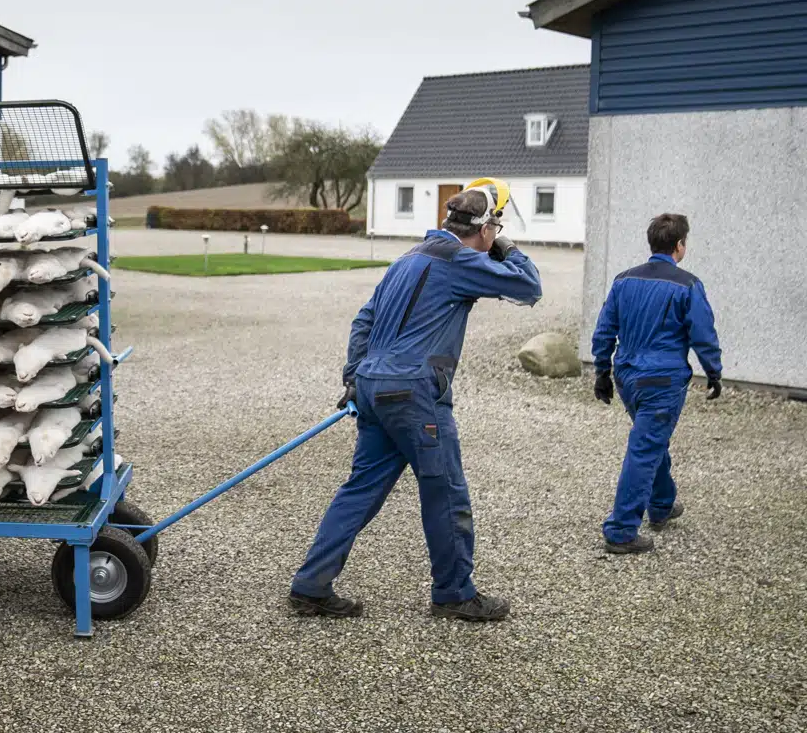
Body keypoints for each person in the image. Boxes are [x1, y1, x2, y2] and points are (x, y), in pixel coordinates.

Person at [289, 182, 542, 621]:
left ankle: (311, 585)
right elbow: (529, 287)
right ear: (483, 229)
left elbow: (364, 319)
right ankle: (455, 593)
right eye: (494, 226)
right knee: (445, 491)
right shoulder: (460, 259)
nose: (495, 234)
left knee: (360, 490)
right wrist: (505, 244)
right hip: (415, 394)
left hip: (373, 387)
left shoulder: (407, 257)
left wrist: (355, 377)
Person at [591, 213, 722, 554]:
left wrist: (601, 371)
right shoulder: (688, 285)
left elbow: (605, 329)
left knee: (650, 439)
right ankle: (620, 530)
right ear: (680, 245)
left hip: (627, 379)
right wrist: (714, 372)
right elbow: (703, 335)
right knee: (645, 448)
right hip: (663, 381)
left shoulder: (623, 280)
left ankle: (662, 504)